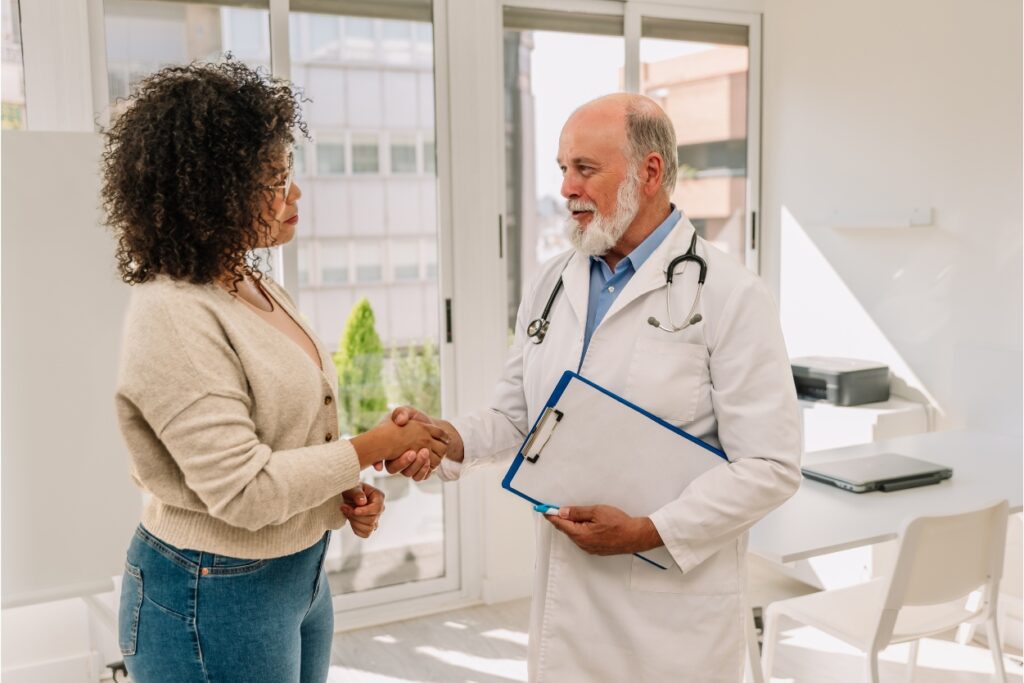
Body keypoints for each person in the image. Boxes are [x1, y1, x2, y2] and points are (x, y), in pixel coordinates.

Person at [391, 93, 802, 681]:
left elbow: (770, 465)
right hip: (566, 607)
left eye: (585, 168)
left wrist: (647, 532)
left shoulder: (730, 295)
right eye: (563, 168)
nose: (567, 188)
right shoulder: (552, 282)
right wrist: (445, 438)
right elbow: (519, 417)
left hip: (669, 617)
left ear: (650, 172)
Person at [104, 61, 447, 683]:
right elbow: (243, 491)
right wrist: (371, 447)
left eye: (288, 172)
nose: (295, 194)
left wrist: (336, 493)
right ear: (213, 192)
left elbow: (278, 441)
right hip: (212, 589)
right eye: (273, 179)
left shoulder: (252, 283)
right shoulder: (174, 314)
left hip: (299, 571)